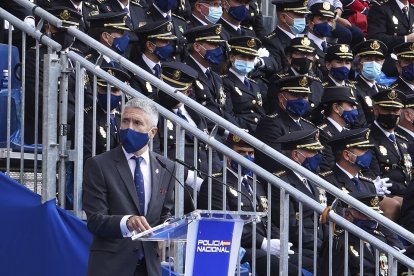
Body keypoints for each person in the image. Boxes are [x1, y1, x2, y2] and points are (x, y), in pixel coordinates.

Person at [83, 97, 175, 276]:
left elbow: (164, 213)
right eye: (125, 121)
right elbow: (95, 220)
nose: (129, 128)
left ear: (152, 132)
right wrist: (127, 222)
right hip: (111, 267)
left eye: (137, 123)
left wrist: (170, 227)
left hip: (149, 267)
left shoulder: (166, 167)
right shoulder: (99, 165)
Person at [198, 134, 300, 275]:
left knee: (303, 261)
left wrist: (278, 241)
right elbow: (224, 225)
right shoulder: (216, 183)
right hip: (237, 248)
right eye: (241, 152)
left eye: (250, 153)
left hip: (262, 248)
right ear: (228, 154)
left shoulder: (255, 183)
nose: (247, 157)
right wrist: (263, 243)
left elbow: (267, 219)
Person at [155, 61, 221, 197]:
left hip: (205, 188)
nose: (170, 92)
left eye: (178, 90)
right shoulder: (153, 111)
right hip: (174, 186)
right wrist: (188, 177)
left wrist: (216, 180)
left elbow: (210, 148)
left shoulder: (195, 112)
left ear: (188, 92)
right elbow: (154, 154)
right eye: (166, 86)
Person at [24, 7, 84, 144]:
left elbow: (87, 95)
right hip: (48, 130)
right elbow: (39, 99)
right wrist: (74, 119)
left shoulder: (78, 57)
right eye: (60, 30)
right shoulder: (35, 56)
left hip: (77, 129)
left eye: (69, 30)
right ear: (47, 28)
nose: (65, 35)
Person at [273, 129, 326, 273]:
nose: (317, 156)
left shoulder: (312, 179)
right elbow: (290, 226)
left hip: (319, 243)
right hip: (300, 246)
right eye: (313, 152)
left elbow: (323, 218)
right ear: (296, 155)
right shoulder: (281, 182)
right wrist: (322, 245)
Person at [320, 192, 395, 276]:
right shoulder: (338, 242)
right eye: (363, 214)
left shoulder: (380, 238)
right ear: (347, 215)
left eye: (373, 215)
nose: (370, 219)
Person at [255, 75, 316, 174]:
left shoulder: (309, 127)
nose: (301, 100)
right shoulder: (270, 124)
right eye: (295, 95)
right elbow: (275, 162)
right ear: (281, 97)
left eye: (304, 96)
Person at [183, 24, 238, 132]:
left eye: (218, 45)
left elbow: (224, 110)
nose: (218, 50)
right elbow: (195, 113)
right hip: (205, 135)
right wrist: (225, 132)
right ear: (197, 47)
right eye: (213, 45)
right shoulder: (185, 73)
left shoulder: (216, 77)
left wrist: (238, 132)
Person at [368, 89, 412, 216]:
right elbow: (377, 176)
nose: (392, 114)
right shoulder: (369, 139)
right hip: (389, 193)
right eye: (387, 110)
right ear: (376, 110)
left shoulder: (403, 140)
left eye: (395, 110)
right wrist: (408, 191)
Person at [267, 36, 324, 116]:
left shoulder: (317, 83)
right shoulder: (279, 80)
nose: (305, 58)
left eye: (309, 55)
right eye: (300, 54)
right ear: (289, 57)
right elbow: (274, 109)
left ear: (314, 59)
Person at [222, 36, 266, 134]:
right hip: (242, 132)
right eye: (242, 57)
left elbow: (260, 113)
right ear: (232, 57)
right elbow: (228, 114)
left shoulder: (254, 85)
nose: (247, 61)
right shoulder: (225, 81)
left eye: (251, 58)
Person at [129, 20, 177, 100]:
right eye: (164, 41)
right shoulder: (134, 72)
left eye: (169, 42)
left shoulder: (170, 68)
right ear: (150, 46)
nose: (169, 46)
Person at [367, 0, 414, 77]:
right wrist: (406, 39)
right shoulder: (381, 8)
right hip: (390, 56)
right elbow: (375, 38)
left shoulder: (412, 9)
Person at [317, 86, 360, 170]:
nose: (355, 110)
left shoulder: (348, 132)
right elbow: (330, 165)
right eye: (351, 106)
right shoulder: (322, 133)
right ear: (336, 108)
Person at [261, 0, 309, 74]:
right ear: (283, 17)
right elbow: (277, 73)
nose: (303, 19)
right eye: (299, 15)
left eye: (304, 16)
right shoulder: (271, 42)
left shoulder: (305, 41)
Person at [352, 39, 389, 127]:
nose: (373, 63)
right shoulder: (352, 89)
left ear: (382, 64)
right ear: (359, 63)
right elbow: (360, 123)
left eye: (377, 60)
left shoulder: (384, 90)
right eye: (368, 59)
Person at [306, 1, 336, 77]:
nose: (326, 24)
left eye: (329, 20)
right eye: (321, 19)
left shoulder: (331, 48)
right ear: (310, 22)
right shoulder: (304, 47)